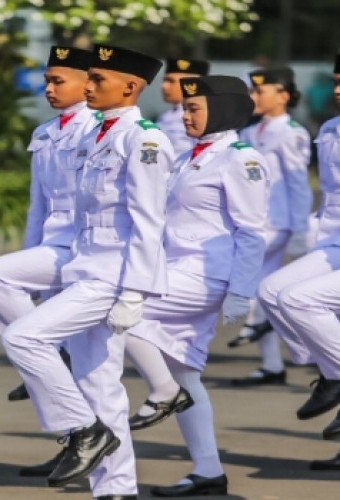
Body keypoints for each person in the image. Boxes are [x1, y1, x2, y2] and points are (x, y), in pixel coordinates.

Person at [1, 44, 173, 499]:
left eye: (98, 79)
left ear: (131, 86)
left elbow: (149, 221)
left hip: (112, 275)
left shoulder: (145, 141)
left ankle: (81, 429)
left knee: (23, 337)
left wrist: (135, 292)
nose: (89, 86)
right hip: (82, 266)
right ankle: (116, 490)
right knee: (100, 386)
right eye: (90, 77)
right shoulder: (93, 135)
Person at [125, 75, 268, 497]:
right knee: (184, 370)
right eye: (185, 109)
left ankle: (162, 393)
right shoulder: (192, 156)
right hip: (175, 269)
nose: (185, 116)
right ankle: (208, 471)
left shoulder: (241, 159)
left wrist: (243, 291)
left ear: (221, 110)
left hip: (207, 273)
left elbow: (252, 231)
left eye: (194, 109)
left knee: (122, 315)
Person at [0, 45, 98, 409]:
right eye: (47, 81)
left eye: (58, 81)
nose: (49, 89)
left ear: (88, 82)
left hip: (83, 249)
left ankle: (52, 356)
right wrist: (29, 254)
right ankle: (54, 366)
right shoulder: (44, 132)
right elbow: (37, 205)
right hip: (51, 247)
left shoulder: (99, 129)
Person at [257, 53, 340, 471]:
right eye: (337, 80)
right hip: (333, 243)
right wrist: (311, 237)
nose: (338, 90)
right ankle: (331, 371)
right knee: (271, 290)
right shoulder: (329, 129)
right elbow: (328, 198)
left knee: (302, 301)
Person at [229, 67, 313, 387]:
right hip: (254, 220)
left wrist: (300, 230)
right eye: (251, 90)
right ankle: (272, 364)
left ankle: (260, 322)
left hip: (278, 224)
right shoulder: (250, 133)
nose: (253, 97)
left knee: (246, 277)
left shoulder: (292, 133)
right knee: (260, 286)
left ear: (284, 95)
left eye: (260, 91)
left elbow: (299, 184)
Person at [157, 57, 210, 156]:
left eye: (171, 81)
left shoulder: (202, 116)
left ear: (191, 84)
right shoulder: (165, 116)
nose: (164, 86)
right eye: (164, 80)